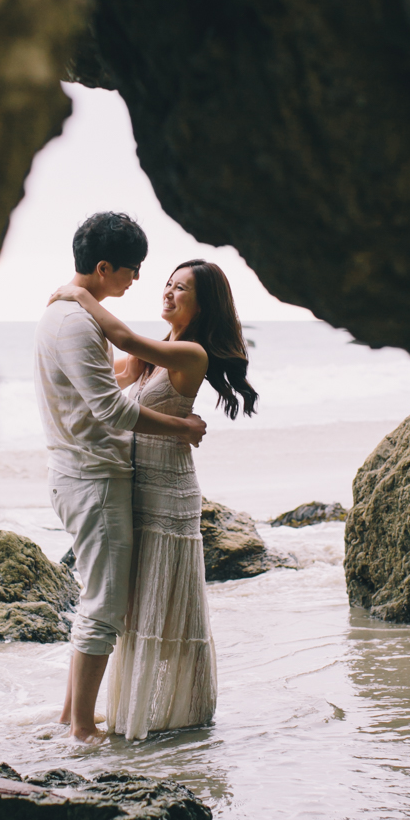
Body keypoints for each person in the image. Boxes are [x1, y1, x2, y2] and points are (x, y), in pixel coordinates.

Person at [49, 258, 258, 741]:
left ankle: (167, 713)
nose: (167, 292)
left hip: (167, 493)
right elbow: (105, 373)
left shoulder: (192, 354)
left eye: (180, 288)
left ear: (203, 303)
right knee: (118, 606)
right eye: (167, 284)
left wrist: (81, 295)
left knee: (157, 608)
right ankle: (79, 716)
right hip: (131, 488)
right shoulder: (158, 353)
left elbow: (121, 340)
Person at [34, 213, 207, 745]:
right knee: (106, 605)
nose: (141, 282)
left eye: (178, 285)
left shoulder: (75, 319)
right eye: (136, 271)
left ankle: (72, 717)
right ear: (105, 267)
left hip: (97, 476)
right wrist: (181, 425)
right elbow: (110, 409)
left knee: (101, 600)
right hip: (93, 478)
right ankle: (82, 728)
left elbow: (115, 373)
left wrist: (78, 298)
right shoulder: (75, 321)